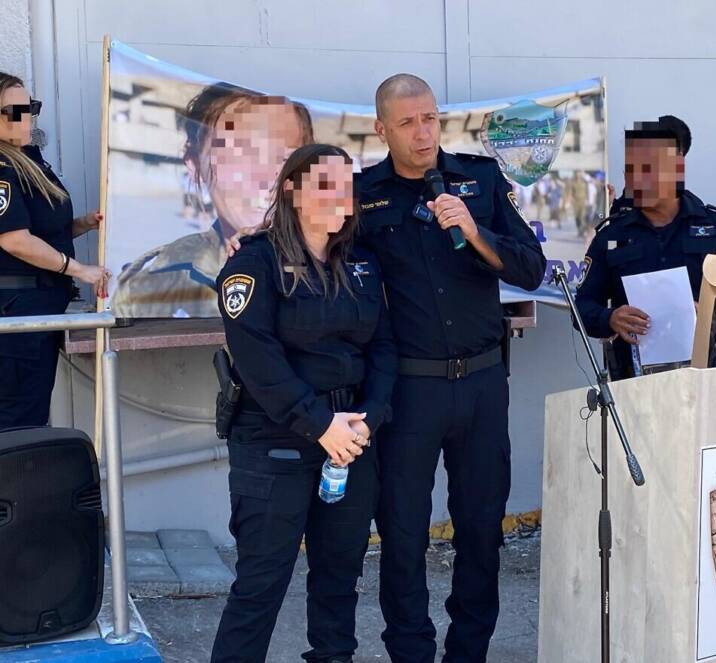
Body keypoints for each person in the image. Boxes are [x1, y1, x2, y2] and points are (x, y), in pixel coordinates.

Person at [361, 74, 546, 663]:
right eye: (408, 122)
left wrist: (473, 228)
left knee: (481, 530)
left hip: (485, 384)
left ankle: (468, 651)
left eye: (430, 119)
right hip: (411, 390)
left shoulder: (481, 181)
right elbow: (315, 251)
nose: (423, 133)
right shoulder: (365, 197)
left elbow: (529, 267)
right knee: (403, 533)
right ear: (382, 128)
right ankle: (411, 652)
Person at [211, 144, 396, 663]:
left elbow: (382, 347)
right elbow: (258, 361)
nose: (340, 195)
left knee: (339, 581)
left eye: (346, 184)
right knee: (260, 587)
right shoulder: (255, 262)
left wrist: (369, 420)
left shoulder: (361, 263)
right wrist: (320, 425)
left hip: (352, 444)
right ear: (292, 190)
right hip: (276, 447)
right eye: (324, 183)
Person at [112, 83, 313, 318]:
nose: (265, 178)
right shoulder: (161, 277)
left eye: (285, 157)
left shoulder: (340, 260)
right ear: (194, 163)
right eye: (241, 155)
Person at [576, 116, 716, 380]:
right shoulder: (611, 236)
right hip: (635, 383)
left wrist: (711, 313)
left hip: (712, 379)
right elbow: (583, 306)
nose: (638, 180)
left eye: (648, 169)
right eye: (631, 170)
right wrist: (610, 318)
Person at [0, 72, 109, 428]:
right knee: (17, 425)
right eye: (16, 110)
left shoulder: (27, 158)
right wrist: (80, 270)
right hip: (18, 318)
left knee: (31, 419)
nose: (28, 116)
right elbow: (14, 240)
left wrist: (82, 224)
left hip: (38, 314)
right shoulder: (3, 169)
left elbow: (44, 230)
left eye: (30, 107)